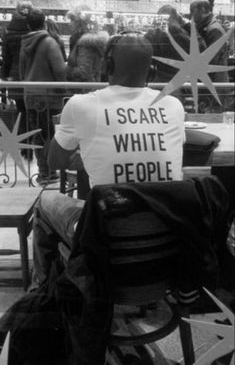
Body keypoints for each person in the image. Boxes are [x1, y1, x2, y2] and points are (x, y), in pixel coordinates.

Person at [31, 32, 186, 287]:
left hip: (105, 241)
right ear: (153, 70)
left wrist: (90, 156)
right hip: (164, 242)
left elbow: (55, 160)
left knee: (45, 202)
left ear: (107, 66)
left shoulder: (81, 104)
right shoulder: (173, 106)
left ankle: (45, 294)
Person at [19, 7, 66, 185]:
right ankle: (50, 172)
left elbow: (22, 73)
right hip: (49, 97)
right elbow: (60, 70)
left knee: (38, 135)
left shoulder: (25, 43)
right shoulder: (50, 43)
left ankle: (43, 172)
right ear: (44, 22)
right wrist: (62, 89)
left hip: (31, 95)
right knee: (50, 135)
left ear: (28, 24)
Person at [145, 4, 206, 83]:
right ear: (177, 17)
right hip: (181, 81)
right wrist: (188, 25)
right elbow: (202, 48)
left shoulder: (153, 33)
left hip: (159, 80)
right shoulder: (179, 32)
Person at [1, 1, 33, 150]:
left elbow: (6, 59)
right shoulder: (33, 28)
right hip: (31, 74)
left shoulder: (9, 31)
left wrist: (4, 77)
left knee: (20, 109)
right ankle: (33, 139)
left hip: (15, 76)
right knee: (33, 108)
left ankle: (22, 140)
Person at [190, 0, 229, 82]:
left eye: (192, 10)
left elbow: (209, 61)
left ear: (203, 9)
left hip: (214, 86)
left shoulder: (214, 30)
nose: (191, 14)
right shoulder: (205, 26)